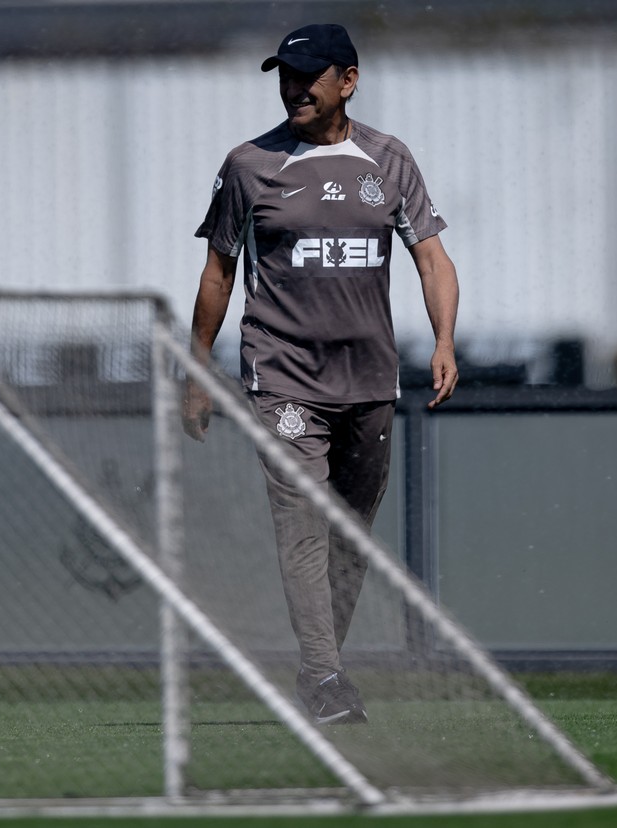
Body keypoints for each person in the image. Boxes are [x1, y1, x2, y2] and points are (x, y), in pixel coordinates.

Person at [182, 23, 459, 725]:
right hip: (282, 375)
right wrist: (197, 369)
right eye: (286, 75)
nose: (295, 88)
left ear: (349, 80)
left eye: (310, 75)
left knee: (350, 534)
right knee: (302, 520)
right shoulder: (250, 165)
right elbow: (218, 271)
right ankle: (324, 674)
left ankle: (321, 662)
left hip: (369, 378)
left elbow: (431, 258)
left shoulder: (388, 160)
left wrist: (445, 340)